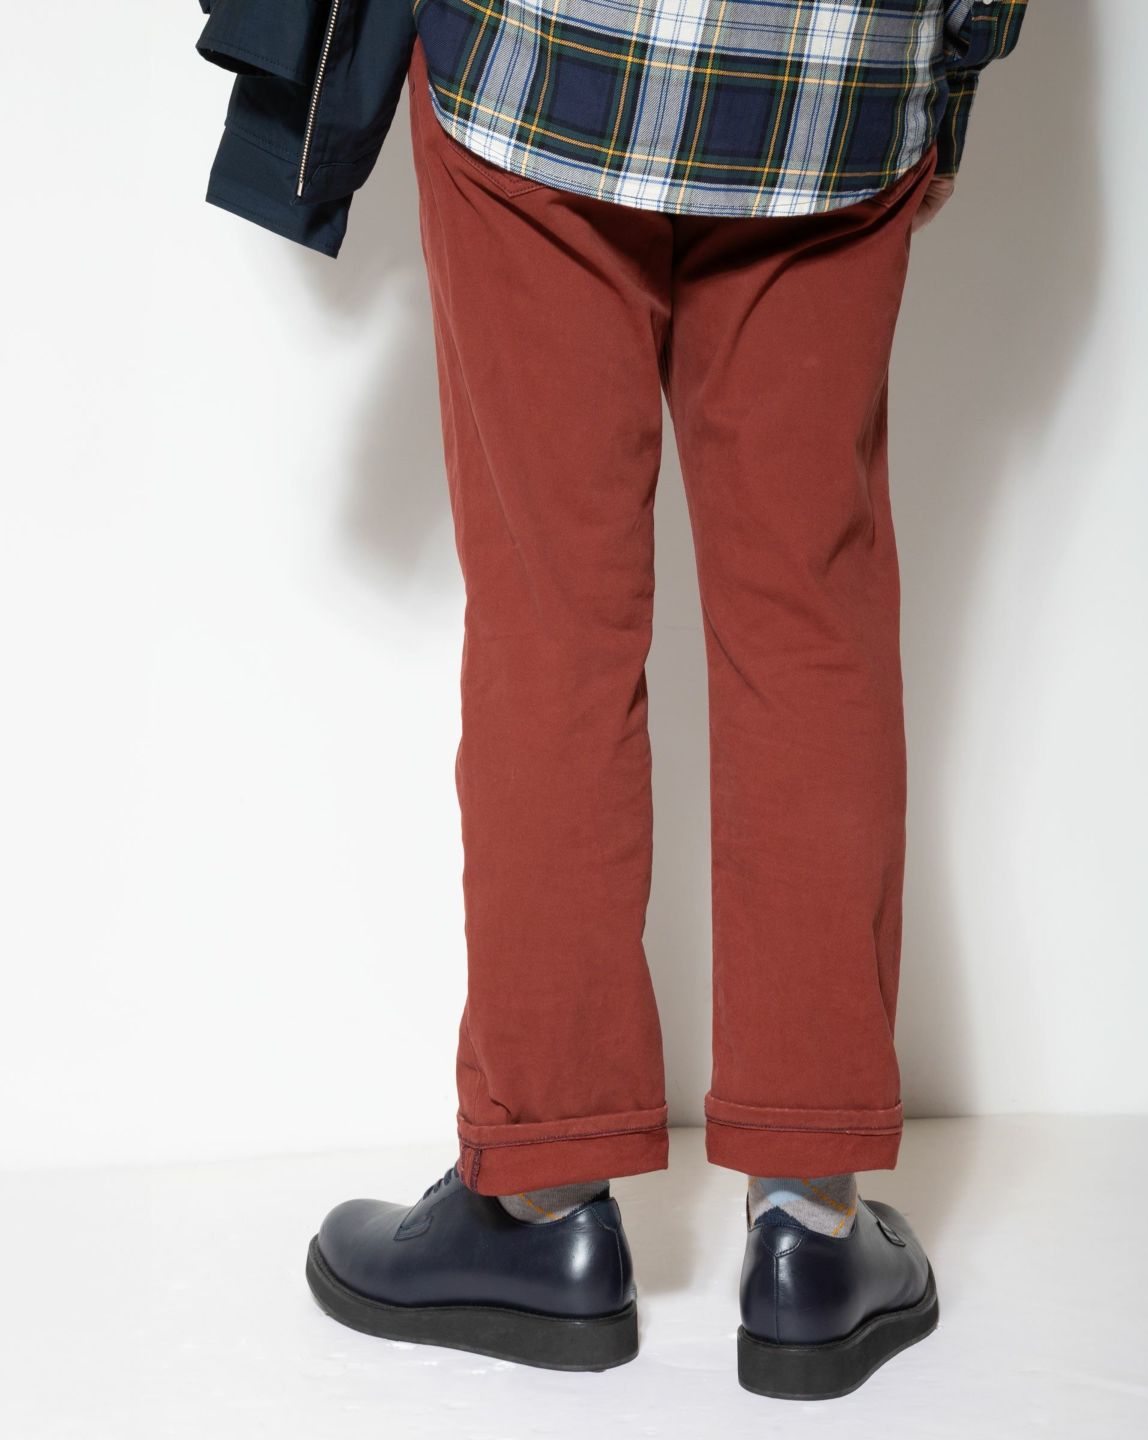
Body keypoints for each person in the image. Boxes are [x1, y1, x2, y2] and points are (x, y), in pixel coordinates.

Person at [196, 0, 1028, 1401]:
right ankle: (812, 1232)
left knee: (551, 626)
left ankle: (541, 1206)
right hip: (831, 85)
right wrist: (948, 77)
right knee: (807, 625)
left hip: (542, 57)